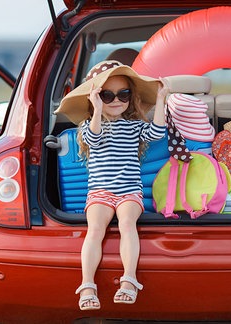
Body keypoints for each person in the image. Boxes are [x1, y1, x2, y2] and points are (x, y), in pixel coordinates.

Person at [55, 60, 168, 311]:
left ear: (131, 96)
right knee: (95, 229)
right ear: (96, 98)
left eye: (123, 94)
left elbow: (157, 133)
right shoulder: (88, 126)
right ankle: (87, 284)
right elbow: (93, 139)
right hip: (100, 192)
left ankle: (129, 280)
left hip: (129, 191)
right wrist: (96, 109)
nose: (116, 100)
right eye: (107, 95)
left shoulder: (134, 126)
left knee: (128, 224)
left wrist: (161, 100)